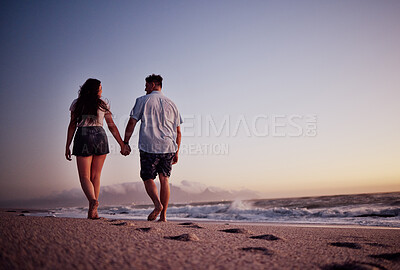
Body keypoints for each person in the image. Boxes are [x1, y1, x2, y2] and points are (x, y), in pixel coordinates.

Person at [65, 78, 130, 219]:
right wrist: (122, 144)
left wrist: (67, 145)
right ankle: (93, 210)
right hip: (100, 135)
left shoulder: (77, 103)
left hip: (83, 135)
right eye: (100, 88)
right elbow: (111, 125)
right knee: (96, 176)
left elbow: (72, 125)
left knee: (84, 176)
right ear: (95, 90)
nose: (101, 90)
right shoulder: (103, 104)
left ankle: (92, 201)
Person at [123, 74, 182, 222]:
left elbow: (132, 123)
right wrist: (177, 151)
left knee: (147, 177)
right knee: (164, 179)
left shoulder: (142, 100)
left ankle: (157, 204)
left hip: (149, 146)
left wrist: (125, 142)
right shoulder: (172, 104)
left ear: (154, 84)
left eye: (146, 85)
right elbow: (178, 131)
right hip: (169, 147)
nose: (145, 88)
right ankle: (163, 216)